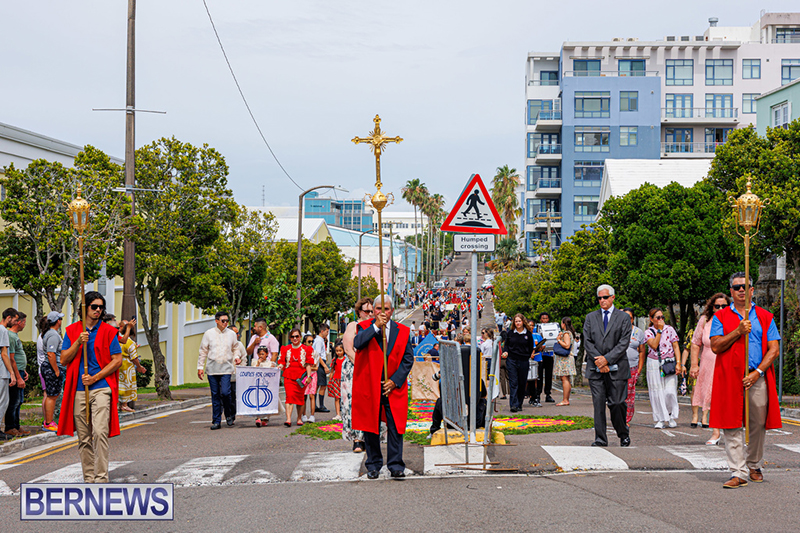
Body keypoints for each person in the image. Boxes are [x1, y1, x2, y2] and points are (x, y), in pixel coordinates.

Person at [710, 272, 781, 489]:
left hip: (756, 375)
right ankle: (738, 471)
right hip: (730, 376)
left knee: (758, 422)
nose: (741, 290)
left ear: (752, 290)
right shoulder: (721, 317)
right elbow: (716, 346)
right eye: (737, 287)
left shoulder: (765, 316)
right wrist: (738, 331)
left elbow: (774, 349)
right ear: (731, 291)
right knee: (730, 423)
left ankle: (754, 464)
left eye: (745, 286)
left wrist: (757, 372)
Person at [58, 292, 123, 483]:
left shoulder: (109, 331)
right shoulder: (72, 331)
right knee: (84, 437)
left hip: (101, 387)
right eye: (94, 307)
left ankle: (101, 478)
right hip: (79, 389)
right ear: (85, 308)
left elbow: (117, 360)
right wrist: (78, 342)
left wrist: (95, 377)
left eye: (101, 307)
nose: (98, 310)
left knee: (100, 432)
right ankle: (89, 478)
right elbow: (63, 359)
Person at [353, 295, 414, 479]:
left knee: (395, 426)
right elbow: (357, 343)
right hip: (370, 385)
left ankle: (396, 465)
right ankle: (373, 464)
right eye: (378, 309)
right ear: (373, 311)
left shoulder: (403, 331)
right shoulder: (364, 327)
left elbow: (408, 359)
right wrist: (375, 327)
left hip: (393, 386)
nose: (382, 312)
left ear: (392, 311)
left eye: (386, 309)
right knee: (370, 426)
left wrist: (395, 381)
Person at [583, 284, 632, 447]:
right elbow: (587, 341)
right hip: (595, 368)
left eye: (605, 297)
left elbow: (624, 342)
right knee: (598, 404)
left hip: (617, 368)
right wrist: (599, 361)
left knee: (617, 403)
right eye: (599, 298)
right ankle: (600, 439)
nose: (602, 300)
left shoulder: (623, 318)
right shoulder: (590, 317)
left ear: (612, 297)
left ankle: (623, 433)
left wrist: (607, 359)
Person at [690, 293, 730, 446]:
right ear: (712, 307)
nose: (720, 309)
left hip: (727, 363)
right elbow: (695, 343)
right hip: (708, 364)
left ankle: (733, 433)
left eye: (724, 306)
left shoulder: (733, 320)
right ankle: (716, 432)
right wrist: (694, 364)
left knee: (727, 398)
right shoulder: (705, 320)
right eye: (717, 306)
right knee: (713, 398)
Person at [197, 311, 241, 430]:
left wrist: (237, 357)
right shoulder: (208, 334)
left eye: (227, 321)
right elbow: (203, 351)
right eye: (223, 321)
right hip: (212, 369)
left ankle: (229, 414)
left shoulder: (231, 334)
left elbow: (236, 348)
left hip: (226, 368)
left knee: (226, 393)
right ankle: (216, 420)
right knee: (215, 395)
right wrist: (200, 367)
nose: (225, 323)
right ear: (216, 321)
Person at [342, 298, 373, 453]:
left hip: (372, 368)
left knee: (370, 404)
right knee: (353, 403)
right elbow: (348, 349)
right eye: (366, 311)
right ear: (359, 312)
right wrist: (362, 366)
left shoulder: (376, 326)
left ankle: (369, 437)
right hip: (354, 368)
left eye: (372, 311)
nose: (369, 314)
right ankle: (357, 439)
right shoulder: (353, 326)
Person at [644, 308, 681, 429]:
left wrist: (678, 363)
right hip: (654, 363)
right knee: (656, 391)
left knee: (670, 391)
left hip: (669, 362)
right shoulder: (648, 332)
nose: (661, 320)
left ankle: (671, 415)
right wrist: (659, 331)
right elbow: (654, 345)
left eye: (662, 317)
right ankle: (660, 418)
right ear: (651, 319)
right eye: (658, 317)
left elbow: (676, 346)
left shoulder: (670, 329)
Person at [277, 328, 314, 427]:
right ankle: (288, 419)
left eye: (297, 336)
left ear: (300, 337)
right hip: (288, 376)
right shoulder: (285, 349)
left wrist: (309, 376)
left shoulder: (306, 349)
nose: (295, 338)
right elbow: (282, 362)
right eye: (292, 336)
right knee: (289, 397)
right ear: (290, 338)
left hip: (301, 378)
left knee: (300, 398)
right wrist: (279, 366)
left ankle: (299, 418)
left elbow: (308, 364)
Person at [109, 317, 146, 413]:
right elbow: (134, 357)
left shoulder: (117, 339)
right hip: (126, 366)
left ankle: (119, 404)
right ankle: (124, 405)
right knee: (126, 385)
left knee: (119, 384)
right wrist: (139, 366)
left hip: (117, 364)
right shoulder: (129, 342)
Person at [502, 314, 535, 413]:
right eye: (516, 321)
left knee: (522, 382)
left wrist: (527, 355)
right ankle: (513, 405)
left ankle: (519, 403)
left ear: (523, 322)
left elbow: (530, 347)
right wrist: (506, 352)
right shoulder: (510, 333)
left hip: (523, 360)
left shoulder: (528, 334)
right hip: (512, 360)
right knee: (513, 382)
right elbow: (506, 345)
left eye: (519, 321)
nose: (518, 323)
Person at [38, 311, 64, 432]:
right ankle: (49, 422)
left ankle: (48, 421)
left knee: (52, 395)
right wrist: (56, 370)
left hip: (50, 367)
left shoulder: (50, 333)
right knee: (52, 396)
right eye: (60, 319)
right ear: (57, 321)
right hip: (51, 367)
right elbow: (50, 354)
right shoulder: (53, 335)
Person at [5, 311, 28, 436]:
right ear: (19, 322)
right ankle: (10, 426)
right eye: (24, 322)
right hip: (15, 372)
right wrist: (18, 377)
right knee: (14, 401)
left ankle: (17, 426)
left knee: (19, 401)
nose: (25, 325)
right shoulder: (11, 336)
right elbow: (11, 359)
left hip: (19, 370)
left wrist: (23, 370)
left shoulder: (15, 336)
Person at [622, 308, 646, 425]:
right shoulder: (616, 330)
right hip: (618, 368)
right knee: (618, 395)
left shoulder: (638, 332)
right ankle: (618, 417)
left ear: (633, 319)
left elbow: (642, 351)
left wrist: (639, 368)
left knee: (629, 396)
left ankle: (626, 419)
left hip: (632, 367)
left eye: (630, 318)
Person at [0, 308, 17, 438]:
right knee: (3, 401)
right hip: (2, 371)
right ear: (8, 318)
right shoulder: (3, 331)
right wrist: (12, 373)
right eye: (14, 320)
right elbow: (4, 354)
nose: (15, 323)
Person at [553, 317, 577, 406]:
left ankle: (565, 399)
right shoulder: (569, 333)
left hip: (565, 359)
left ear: (563, 324)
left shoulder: (566, 333)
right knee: (566, 379)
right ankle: (566, 399)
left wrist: (559, 340)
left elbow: (567, 345)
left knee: (564, 379)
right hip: (567, 359)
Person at [535, 312, 555, 404]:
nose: (545, 320)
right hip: (539, 355)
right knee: (539, 376)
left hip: (549, 354)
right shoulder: (536, 328)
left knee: (548, 375)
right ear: (540, 319)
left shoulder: (551, 328)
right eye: (543, 318)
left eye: (546, 318)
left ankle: (548, 394)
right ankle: (537, 394)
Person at [313, 324, 331, 413]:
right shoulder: (319, 341)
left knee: (318, 385)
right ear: (322, 331)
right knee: (322, 385)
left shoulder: (319, 340)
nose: (327, 333)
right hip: (320, 363)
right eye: (327, 331)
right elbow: (318, 355)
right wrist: (325, 366)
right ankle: (320, 405)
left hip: (319, 363)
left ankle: (315, 405)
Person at [301, 334, 318, 423]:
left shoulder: (315, 353)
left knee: (312, 395)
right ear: (304, 342)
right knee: (304, 396)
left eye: (312, 341)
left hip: (313, 375)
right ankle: (303, 415)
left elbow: (316, 367)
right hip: (303, 375)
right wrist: (310, 367)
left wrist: (308, 367)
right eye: (309, 341)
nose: (311, 343)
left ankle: (312, 415)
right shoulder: (302, 353)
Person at [327, 342, 345, 421]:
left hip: (344, 380)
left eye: (340, 350)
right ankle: (338, 414)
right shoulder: (334, 360)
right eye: (337, 351)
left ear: (343, 350)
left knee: (344, 398)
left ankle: (344, 414)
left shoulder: (346, 359)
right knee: (337, 398)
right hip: (335, 380)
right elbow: (332, 371)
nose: (338, 352)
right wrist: (330, 381)